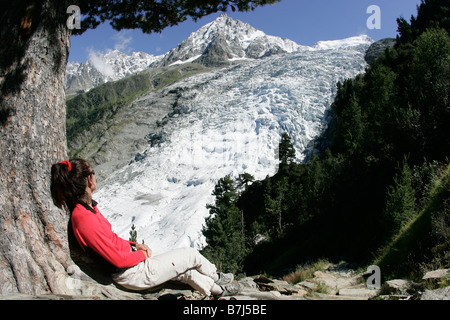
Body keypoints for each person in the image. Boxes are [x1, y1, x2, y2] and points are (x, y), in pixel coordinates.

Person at [50, 158, 240, 297]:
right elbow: (116, 260)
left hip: (132, 269)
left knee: (186, 272)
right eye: (93, 173)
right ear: (88, 180)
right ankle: (217, 276)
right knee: (191, 255)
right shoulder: (83, 219)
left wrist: (135, 245)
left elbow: (111, 240)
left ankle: (217, 290)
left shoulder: (87, 209)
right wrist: (141, 255)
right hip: (132, 274)